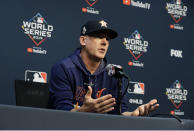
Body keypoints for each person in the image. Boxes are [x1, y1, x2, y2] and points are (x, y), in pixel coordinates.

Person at [48, 20, 159, 116]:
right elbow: (62, 113)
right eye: (99, 36)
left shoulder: (114, 73)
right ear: (83, 40)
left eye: (107, 39)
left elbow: (120, 113)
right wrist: (83, 111)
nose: (104, 42)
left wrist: (133, 115)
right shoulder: (63, 68)